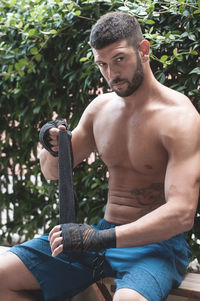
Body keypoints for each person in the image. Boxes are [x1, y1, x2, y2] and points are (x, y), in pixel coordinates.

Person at [0, 11, 200, 301]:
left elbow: (182, 214)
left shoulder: (180, 119)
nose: (111, 74)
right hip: (101, 237)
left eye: (119, 59)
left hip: (156, 246)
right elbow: (52, 171)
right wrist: (51, 144)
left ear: (143, 50)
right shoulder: (100, 109)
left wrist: (97, 238)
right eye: (102, 64)